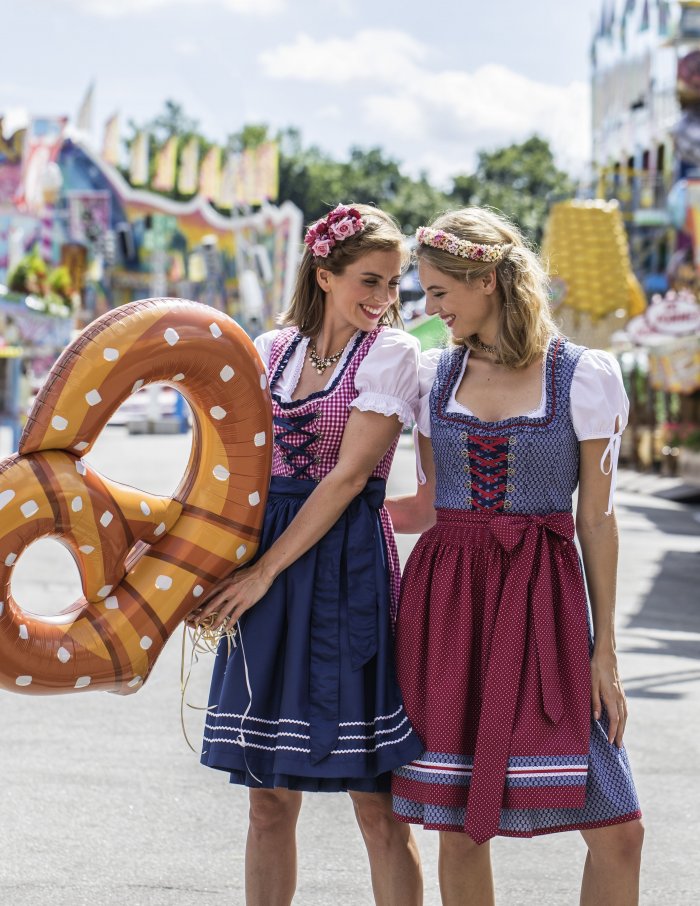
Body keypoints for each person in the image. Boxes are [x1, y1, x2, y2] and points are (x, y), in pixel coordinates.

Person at [387, 208, 644, 906]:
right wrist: (320, 519)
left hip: (546, 606)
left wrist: (605, 652)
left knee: (620, 831)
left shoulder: (584, 375)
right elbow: (427, 505)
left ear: (489, 281)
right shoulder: (433, 376)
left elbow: (598, 520)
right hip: (447, 606)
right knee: (458, 827)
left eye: (440, 292)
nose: (430, 309)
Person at [190, 203, 424, 906]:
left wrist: (262, 573)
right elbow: (229, 466)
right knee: (266, 800)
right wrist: (207, 566)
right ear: (324, 275)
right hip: (265, 560)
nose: (384, 299)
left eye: (394, 284)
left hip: (345, 568)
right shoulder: (268, 350)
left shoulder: (390, 355)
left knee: (376, 804)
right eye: (370, 280)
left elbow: (349, 478)